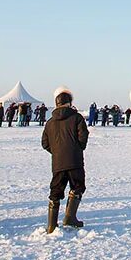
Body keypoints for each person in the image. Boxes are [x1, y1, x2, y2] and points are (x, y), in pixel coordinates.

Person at [42, 89, 89, 232]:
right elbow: (83, 137)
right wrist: (77, 148)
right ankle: (70, 217)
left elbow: (45, 143)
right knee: (77, 187)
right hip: (74, 161)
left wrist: (57, 152)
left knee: (55, 191)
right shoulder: (77, 118)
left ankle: (51, 225)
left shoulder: (50, 122)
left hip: (58, 163)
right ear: (69, 103)